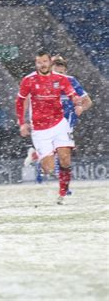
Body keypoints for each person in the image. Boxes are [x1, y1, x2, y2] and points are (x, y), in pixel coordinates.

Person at [16, 51, 82, 205]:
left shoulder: (60, 79)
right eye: (39, 62)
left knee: (65, 159)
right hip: (40, 129)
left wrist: (77, 102)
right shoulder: (29, 80)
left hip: (59, 123)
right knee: (48, 169)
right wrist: (22, 123)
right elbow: (20, 102)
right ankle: (36, 156)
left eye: (45, 61)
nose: (42, 65)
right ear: (36, 63)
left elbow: (72, 94)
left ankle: (63, 194)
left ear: (49, 63)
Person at [23, 55, 93, 189]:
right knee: (57, 157)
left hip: (66, 124)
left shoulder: (71, 81)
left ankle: (62, 186)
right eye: (56, 71)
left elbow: (88, 102)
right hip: (48, 123)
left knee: (63, 158)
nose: (58, 74)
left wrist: (81, 108)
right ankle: (62, 187)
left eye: (61, 72)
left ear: (65, 71)